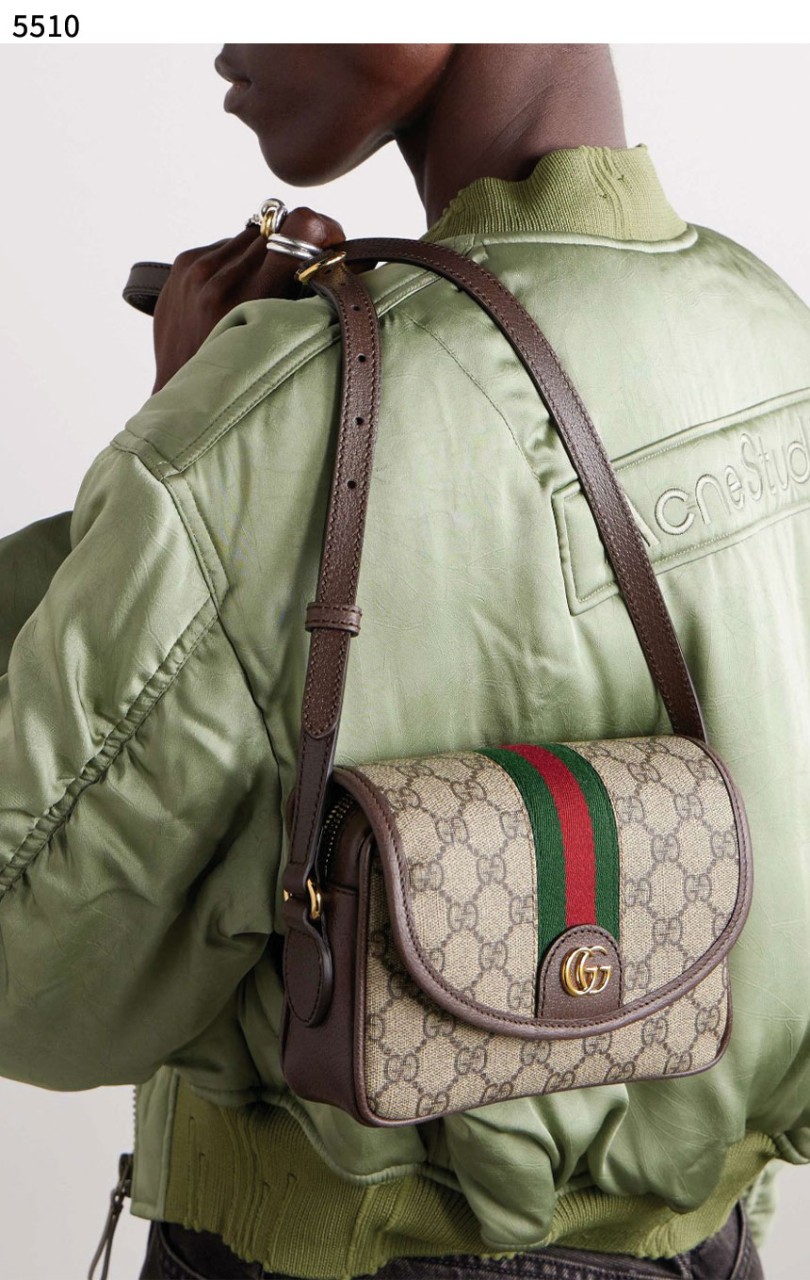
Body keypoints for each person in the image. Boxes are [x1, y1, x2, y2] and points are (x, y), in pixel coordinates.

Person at [0, 41, 807, 1280]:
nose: (226, 38)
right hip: (711, 1247)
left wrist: (178, 437)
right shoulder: (774, 331)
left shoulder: (273, 418)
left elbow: (32, 976)